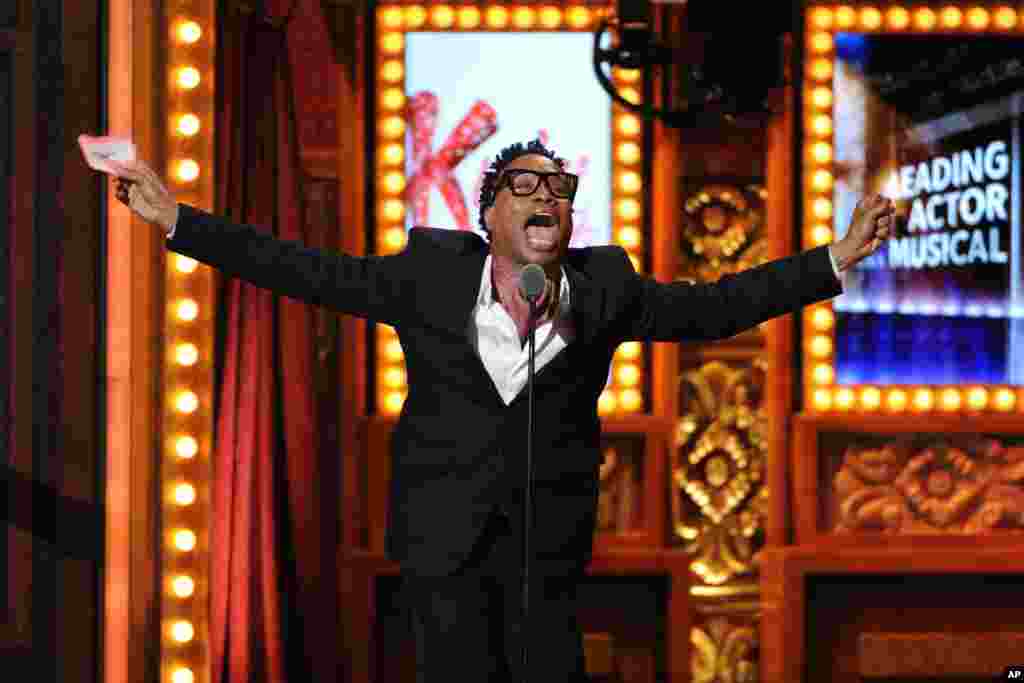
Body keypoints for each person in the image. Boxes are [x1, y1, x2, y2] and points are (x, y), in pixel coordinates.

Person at [106, 138, 894, 682]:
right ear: (488, 216)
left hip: (543, 565)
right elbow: (306, 270)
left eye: (559, 186)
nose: (546, 193)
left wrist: (834, 258)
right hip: (442, 553)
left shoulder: (604, 289)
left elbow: (718, 304)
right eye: (525, 184)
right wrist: (179, 221)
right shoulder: (427, 278)